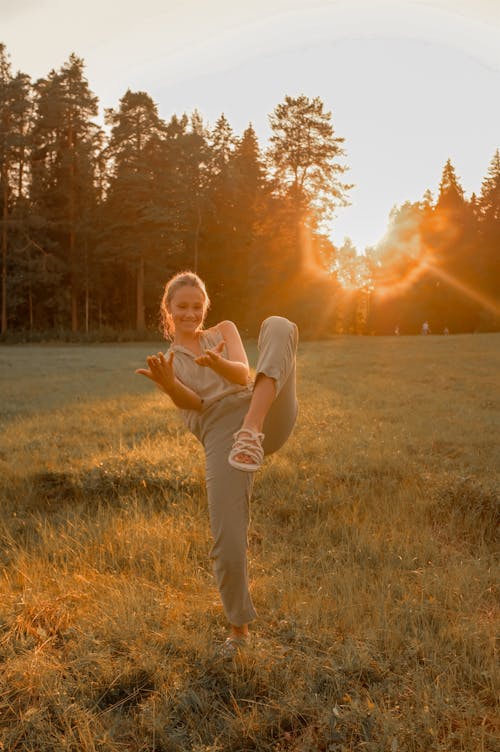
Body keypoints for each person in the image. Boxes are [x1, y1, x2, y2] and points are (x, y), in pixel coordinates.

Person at [136, 271, 298, 654]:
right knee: (226, 532)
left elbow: (243, 373)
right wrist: (170, 384)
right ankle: (238, 630)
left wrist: (217, 363)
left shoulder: (223, 331)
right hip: (221, 433)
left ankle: (252, 431)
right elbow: (194, 404)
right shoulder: (169, 361)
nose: (190, 313)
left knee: (279, 325)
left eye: (196, 306)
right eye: (182, 307)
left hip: (261, 409)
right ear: (169, 310)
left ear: (204, 307)